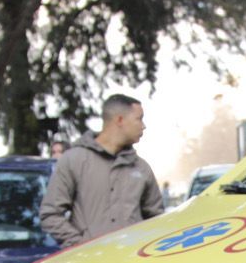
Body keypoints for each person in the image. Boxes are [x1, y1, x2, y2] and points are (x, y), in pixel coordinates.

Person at [38, 94, 165, 247]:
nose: (143, 126)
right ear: (120, 120)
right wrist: (81, 245)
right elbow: (50, 214)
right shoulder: (74, 160)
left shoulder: (141, 168)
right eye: (139, 119)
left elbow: (157, 219)